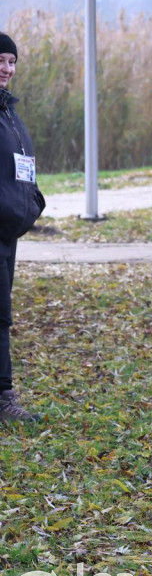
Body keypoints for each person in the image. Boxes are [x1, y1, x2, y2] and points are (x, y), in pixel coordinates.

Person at [0, 32, 46, 422]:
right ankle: (3, 398)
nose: (6, 68)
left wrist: (32, 204)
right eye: (0, 60)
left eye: (12, 62)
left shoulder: (8, 111)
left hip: (8, 230)